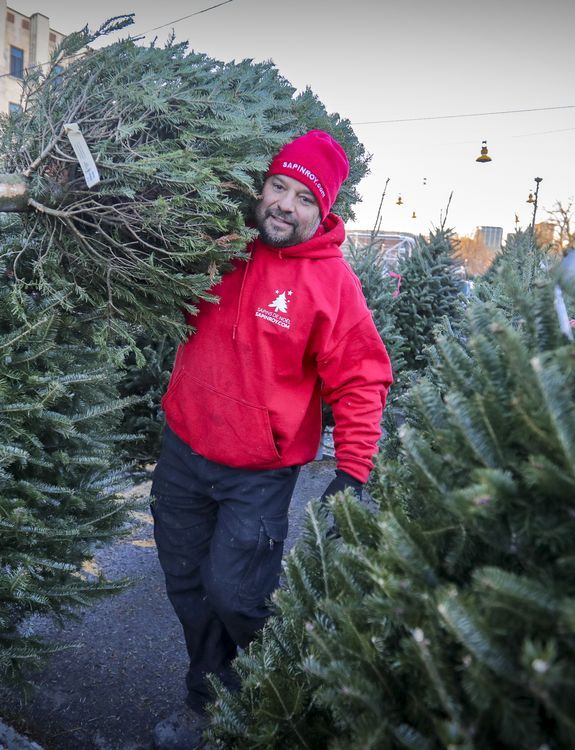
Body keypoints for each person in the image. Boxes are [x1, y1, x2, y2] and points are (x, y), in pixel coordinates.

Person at [150, 130, 392, 746]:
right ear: (262, 189)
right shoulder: (221, 248)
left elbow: (363, 377)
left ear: (324, 210)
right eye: (278, 187)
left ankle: (277, 691)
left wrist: (353, 469)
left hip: (257, 470)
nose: (285, 204)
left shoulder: (331, 285)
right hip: (184, 451)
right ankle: (206, 699)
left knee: (237, 595)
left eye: (303, 196)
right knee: (185, 583)